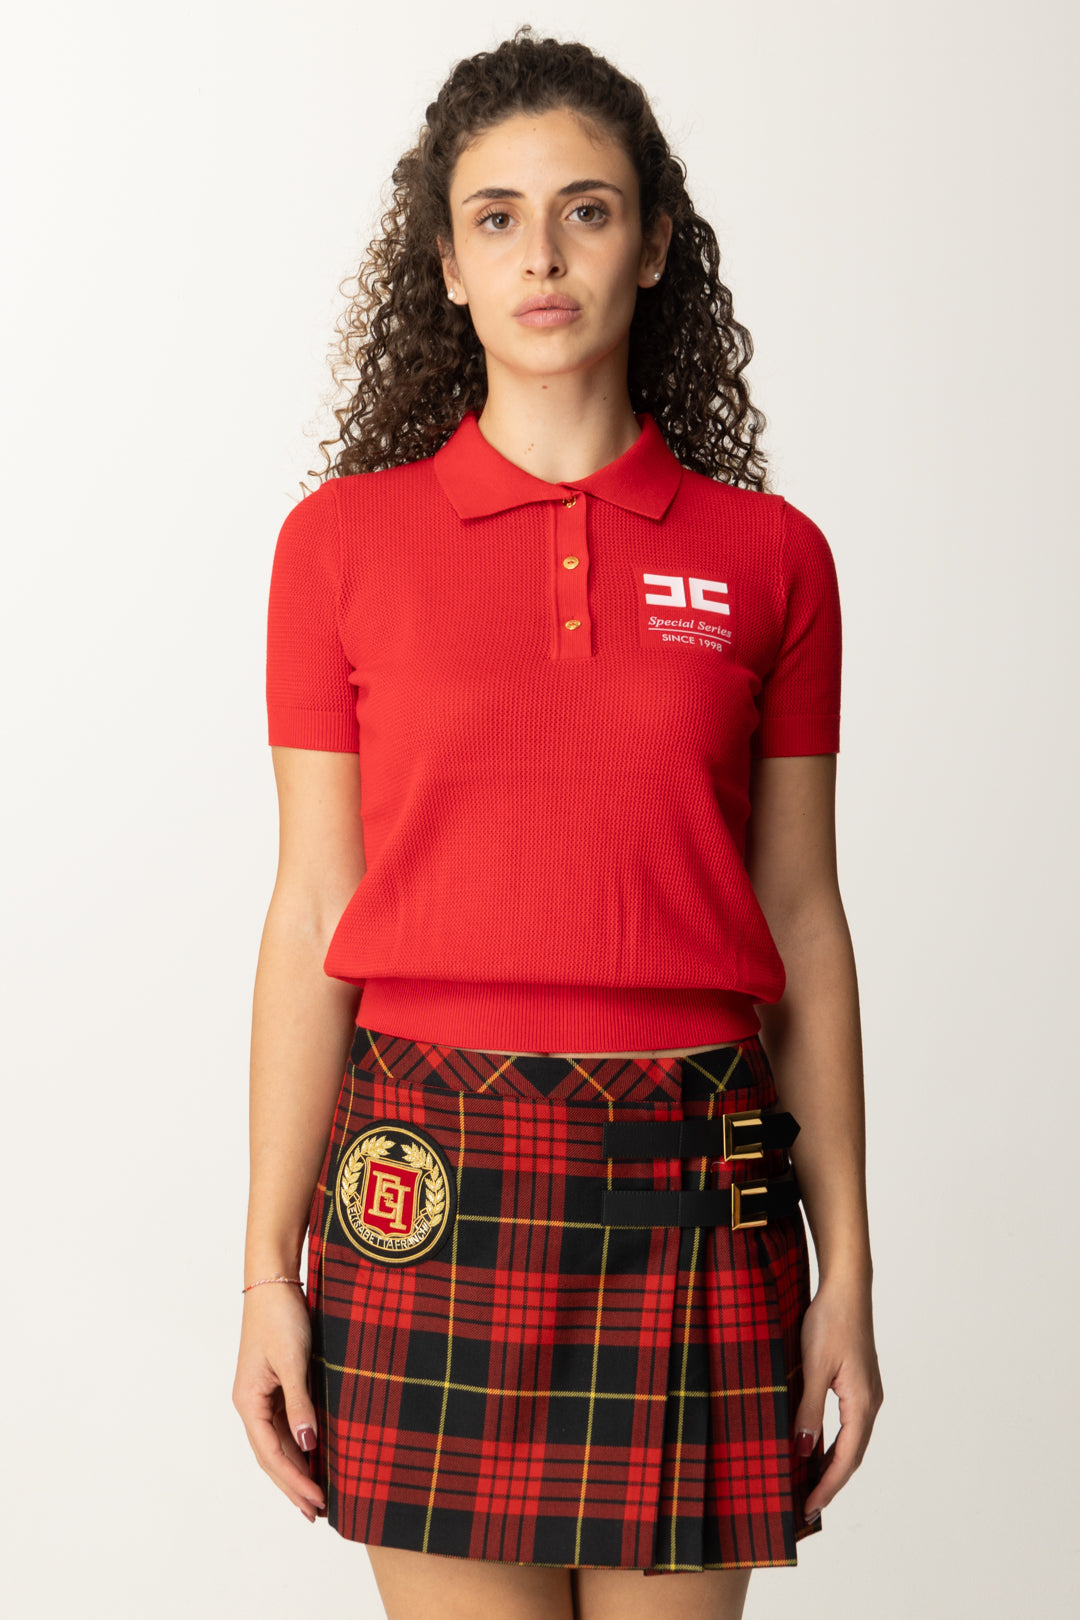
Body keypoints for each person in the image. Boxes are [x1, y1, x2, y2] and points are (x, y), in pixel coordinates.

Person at [232, 24, 883, 1620]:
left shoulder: (771, 558)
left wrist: (849, 1271)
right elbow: (313, 910)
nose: (542, 255)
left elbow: (803, 917)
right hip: (425, 1182)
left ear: (653, 244)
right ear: (446, 265)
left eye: (587, 211)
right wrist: (262, 1269)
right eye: (497, 216)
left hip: (695, 1175)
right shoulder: (336, 546)